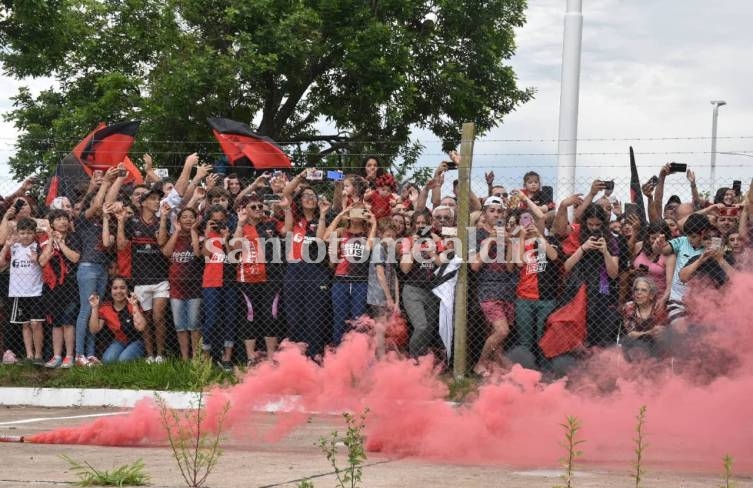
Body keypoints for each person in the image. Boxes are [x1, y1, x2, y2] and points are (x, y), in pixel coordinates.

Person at [233, 195, 286, 366]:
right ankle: (250, 357)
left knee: (270, 315)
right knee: (250, 316)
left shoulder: (270, 223)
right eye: (253, 207)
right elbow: (235, 248)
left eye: (260, 206)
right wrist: (240, 225)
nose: (258, 209)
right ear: (245, 210)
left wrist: (286, 209)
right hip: (246, 278)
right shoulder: (241, 225)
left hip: (271, 277)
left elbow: (288, 231)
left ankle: (271, 358)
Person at [282, 176, 331, 358]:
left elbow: (319, 241)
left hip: (316, 271)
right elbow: (286, 193)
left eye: (313, 195)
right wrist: (303, 175)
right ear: (300, 201)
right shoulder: (294, 220)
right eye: (306, 195)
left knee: (314, 317)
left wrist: (324, 214)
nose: (310, 198)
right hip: (294, 271)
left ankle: (315, 355)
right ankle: (296, 356)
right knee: (294, 317)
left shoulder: (323, 217)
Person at [119, 187, 170, 363]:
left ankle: (161, 354)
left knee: (158, 316)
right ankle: (149, 355)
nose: (157, 202)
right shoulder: (131, 222)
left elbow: (162, 242)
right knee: (146, 319)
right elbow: (120, 245)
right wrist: (120, 222)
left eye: (158, 199)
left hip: (161, 278)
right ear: (143, 202)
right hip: (140, 279)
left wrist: (163, 218)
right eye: (153, 199)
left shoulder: (163, 220)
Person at [470, 197, 518, 375]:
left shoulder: (506, 234)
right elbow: (475, 265)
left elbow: (510, 267)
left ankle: (496, 366)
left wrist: (510, 243)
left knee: (497, 337)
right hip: (487, 288)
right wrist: (490, 241)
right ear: (484, 213)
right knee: (502, 331)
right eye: (492, 210)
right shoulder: (476, 234)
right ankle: (480, 364)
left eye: (499, 211)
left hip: (506, 288)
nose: (496, 214)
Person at [324, 204, 377, 345]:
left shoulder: (367, 233)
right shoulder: (342, 232)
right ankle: (337, 352)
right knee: (339, 318)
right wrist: (341, 214)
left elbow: (369, 248)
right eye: (354, 211)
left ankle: (356, 353)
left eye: (361, 212)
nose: (357, 215)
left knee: (358, 319)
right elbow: (326, 236)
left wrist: (374, 224)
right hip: (341, 279)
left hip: (360, 281)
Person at [39, 209, 81, 368]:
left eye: (65, 219)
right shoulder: (44, 239)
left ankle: (69, 356)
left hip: (69, 285)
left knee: (68, 321)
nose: (63, 222)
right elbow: (42, 261)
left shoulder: (73, 238)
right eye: (58, 219)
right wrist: (51, 240)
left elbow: (75, 258)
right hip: (52, 286)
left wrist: (61, 243)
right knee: (56, 322)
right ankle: (56, 356)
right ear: (51, 223)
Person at [0, 218, 45, 365]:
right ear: (18, 233)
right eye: (22, 232)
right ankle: (29, 355)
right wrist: (6, 247)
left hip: (35, 291)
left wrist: (36, 259)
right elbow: (1, 263)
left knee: (36, 324)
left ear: (34, 233)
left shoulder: (38, 247)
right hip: (18, 292)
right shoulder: (14, 247)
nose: (26, 236)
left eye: (29, 232)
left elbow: (44, 262)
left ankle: (38, 355)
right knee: (25, 324)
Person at [161, 207, 203, 360]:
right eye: (184, 217)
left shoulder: (198, 236)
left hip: (194, 288)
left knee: (193, 325)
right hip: (176, 289)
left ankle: (196, 358)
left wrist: (193, 230)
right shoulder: (174, 236)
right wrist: (177, 231)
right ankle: (185, 358)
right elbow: (166, 253)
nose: (187, 220)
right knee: (180, 326)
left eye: (191, 217)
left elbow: (198, 254)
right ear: (178, 221)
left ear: (196, 220)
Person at [201, 204, 239, 371]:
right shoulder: (207, 234)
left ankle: (227, 357)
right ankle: (206, 355)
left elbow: (234, 258)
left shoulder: (230, 234)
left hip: (230, 280)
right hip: (211, 281)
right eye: (214, 221)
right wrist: (208, 234)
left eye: (221, 220)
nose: (218, 224)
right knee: (212, 320)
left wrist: (226, 240)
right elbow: (204, 255)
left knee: (230, 319)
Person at [88, 277, 147, 363]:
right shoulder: (105, 307)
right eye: (115, 288)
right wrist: (94, 308)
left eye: (122, 288)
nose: (118, 291)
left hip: (138, 341)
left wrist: (135, 306)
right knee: (107, 361)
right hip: (120, 341)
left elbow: (141, 328)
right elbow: (94, 330)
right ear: (111, 290)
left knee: (123, 360)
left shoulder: (132, 303)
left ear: (127, 290)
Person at [366, 217, 400, 357]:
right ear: (380, 235)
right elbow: (380, 274)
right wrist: (388, 298)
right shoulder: (378, 248)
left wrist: (396, 300)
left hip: (389, 295)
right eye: (387, 235)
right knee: (380, 328)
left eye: (393, 236)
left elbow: (395, 276)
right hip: (378, 295)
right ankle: (380, 359)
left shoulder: (390, 251)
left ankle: (383, 355)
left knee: (385, 328)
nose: (390, 238)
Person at [619, 276, 667, 361]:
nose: (638, 293)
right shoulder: (629, 307)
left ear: (651, 295)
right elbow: (631, 334)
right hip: (634, 345)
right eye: (636, 290)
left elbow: (661, 332)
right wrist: (650, 332)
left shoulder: (658, 307)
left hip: (655, 345)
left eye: (643, 290)